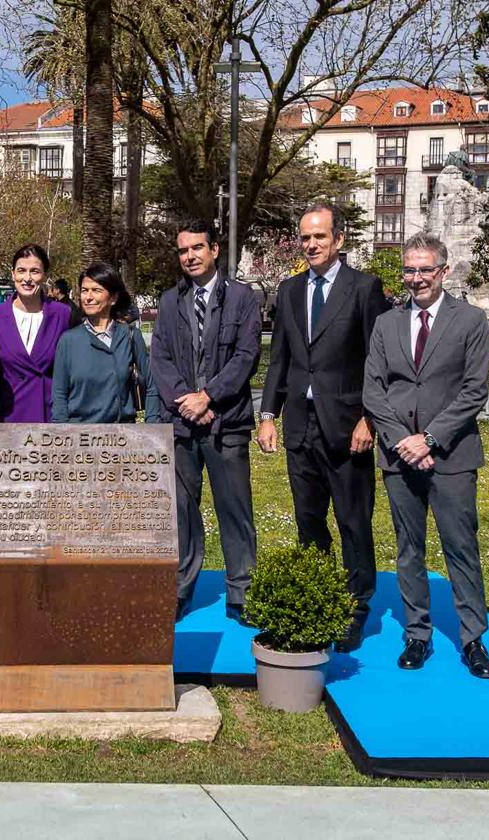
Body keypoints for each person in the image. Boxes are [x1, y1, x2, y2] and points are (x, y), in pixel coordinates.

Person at [256, 200, 389, 653]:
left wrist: (370, 418)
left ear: (339, 239)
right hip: (300, 426)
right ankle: (320, 598)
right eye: (305, 237)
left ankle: (356, 607)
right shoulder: (290, 290)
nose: (311, 244)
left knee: (354, 521)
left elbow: (378, 359)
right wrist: (268, 415)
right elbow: (281, 359)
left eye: (320, 236)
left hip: (349, 426)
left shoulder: (365, 288)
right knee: (308, 520)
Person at [362, 234, 489, 678]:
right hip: (399, 457)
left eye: (425, 270)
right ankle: (416, 635)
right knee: (408, 551)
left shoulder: (471, 321)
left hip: (452, 456)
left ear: (444, 271)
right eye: (409, 270)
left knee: (461, 547)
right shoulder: (386, 323)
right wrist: (404, 440)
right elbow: (374, 391)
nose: (416, 278)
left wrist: (430, 439)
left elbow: (475, 390)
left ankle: (473, 638)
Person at [150, 218, 261, 622]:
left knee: (235, 509)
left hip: (226, 423)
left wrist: (209, 396)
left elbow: (247, 356)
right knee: (181, 512)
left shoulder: (244, 298)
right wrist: (186, 401)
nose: (190, 256)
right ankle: (180, 589)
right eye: (183, 250)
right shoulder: (169, 301)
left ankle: (242, 592)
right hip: (181, 425)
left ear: (214, 250)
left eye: (197, 248)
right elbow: (159, 357)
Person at [52, 262, 161, 424]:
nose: (88, 297)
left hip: (123, 438)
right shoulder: (68, 340)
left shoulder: (130, 336)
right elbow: (59, 394)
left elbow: (152, 386)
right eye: (84, 291)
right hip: (79, 438)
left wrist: (152, 426)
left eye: (96, 290)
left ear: (113, 298)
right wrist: (62, 432)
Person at [0, 244, 73, 423]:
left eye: (34, 271)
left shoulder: (63, 315)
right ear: (13, 274)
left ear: (45, 276)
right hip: (8, 418)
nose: (27, 278)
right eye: (21, 271)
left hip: (48, 418)